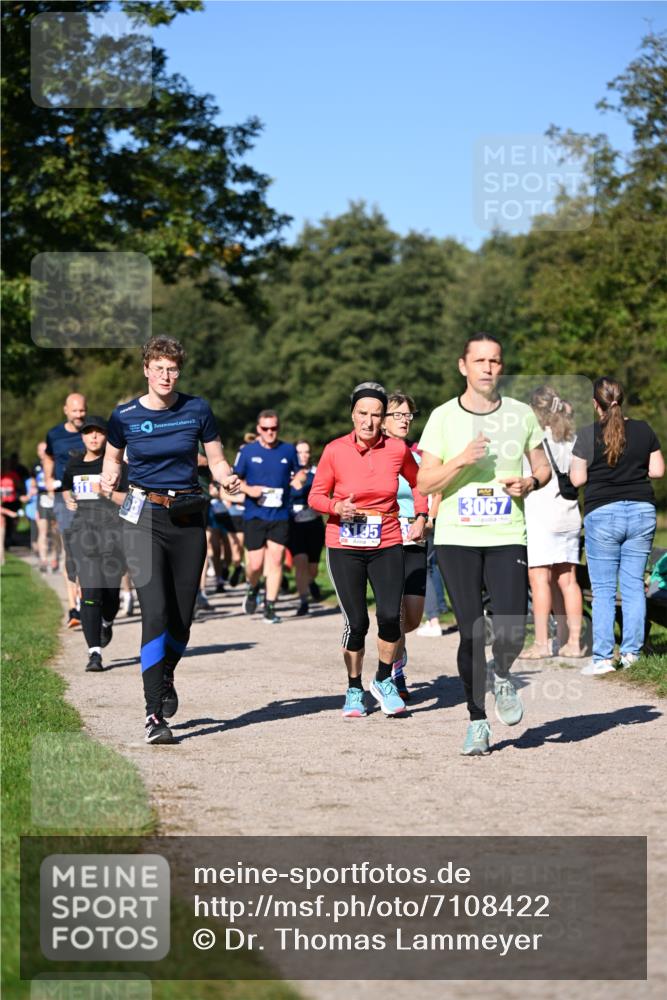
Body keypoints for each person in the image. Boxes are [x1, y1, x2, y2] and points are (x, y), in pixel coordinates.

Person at [418, 334, 551, 756]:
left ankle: (503, 672)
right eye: (480, 361)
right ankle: (477, 722)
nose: (488, 368)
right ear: (463, 366)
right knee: (472, 632)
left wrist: (529, 482)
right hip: (457, 536)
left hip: (506, 531)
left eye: (495, 361)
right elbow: (424, 482)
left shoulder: (520, 414)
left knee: (512, 622)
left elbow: (544, 469)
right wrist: (461, 460)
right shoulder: (442, 417)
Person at [102, 337, 239, 744]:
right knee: (156, 612)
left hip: (187, 515)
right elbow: (113, 456)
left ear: (180, 371)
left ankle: (165, 674)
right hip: (142, 516)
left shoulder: (196, 409)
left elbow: (214, 458)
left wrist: (225, 475)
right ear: (146, 369)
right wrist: (111, 475)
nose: (166, 376)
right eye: (159, 368)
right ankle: (152, 715)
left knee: (182, 618)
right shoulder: (123, 415)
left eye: (173, 369)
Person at [309, 381, 427, 718]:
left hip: (387, 539)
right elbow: (315, 495)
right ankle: (353, 688)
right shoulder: (334, 450)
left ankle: (384, 680)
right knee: (357, 622)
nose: (369, 421)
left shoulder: (397, 450)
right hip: (344, 543)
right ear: (352, 415)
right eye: (363, 413)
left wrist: (421, 515)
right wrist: (335, 506)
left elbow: (418, 482)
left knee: (391, 616)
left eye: (376, 415)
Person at [570, 376, 664, 673]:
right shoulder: (643, 429)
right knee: (634, 585)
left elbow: (577, 479)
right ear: (620, 400)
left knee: (604, 589)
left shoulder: (586, 435)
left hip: (603, 514)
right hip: (641, 512)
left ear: (594, 404)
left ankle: (601, 658)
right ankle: (631, 653)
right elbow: (658, 470)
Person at [520, 385, 584, 659]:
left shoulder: (533, 440)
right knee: (568, 579)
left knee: (539, 579)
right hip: (569, 514)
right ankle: (572, 642)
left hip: (541, 515)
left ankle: (542, 643)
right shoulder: (571, 437)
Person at [62, 417, 128, 672]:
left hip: (113, 535)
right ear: (82, 437)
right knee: (90, 593)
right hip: (83, 534)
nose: (93, 437)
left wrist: (106, 492)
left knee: (110, 594)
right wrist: (69, 500)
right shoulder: (74, 464)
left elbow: (130, 499)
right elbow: (66, 487)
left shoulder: (117, 465)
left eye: (98, 433)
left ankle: (108, 621)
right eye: (88, 433)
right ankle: (94, 654)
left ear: (106, 436)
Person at [234, 411, 307, 625]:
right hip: (255, 514)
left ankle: (270, 606)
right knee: (255, 565)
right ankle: (253, 587)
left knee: (276, 560)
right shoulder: (248, 452)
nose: (270, 432)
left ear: (278, 428)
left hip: (280, 514)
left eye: (273, 428)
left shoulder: (287, 449)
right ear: (258, 429)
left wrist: (299, 479)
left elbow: (300, 471)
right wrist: (250, 489)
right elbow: (233, 480)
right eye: (265, 429)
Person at [381, 392, 429, 700]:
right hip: (384, 539)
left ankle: (399, 648)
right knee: (394, 613)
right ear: (383, 420)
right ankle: (394, 672)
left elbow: (430, 491)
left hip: (414, 538)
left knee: (412, 616)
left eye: (408, 415)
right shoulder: (376, 454)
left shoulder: (420, 456)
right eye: (398, 415)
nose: (405, 420)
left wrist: (425, 517)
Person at [43, 393, 87, 627]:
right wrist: (49, 479)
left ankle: (88, 599)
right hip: (64, 499)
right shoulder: (55, 435)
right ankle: (73, 608)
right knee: (70, 552)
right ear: (66, 410)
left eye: (82, 410)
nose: (79, 415)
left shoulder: (93, 431)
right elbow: (48, 457)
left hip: (91, 499)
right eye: (75, 411)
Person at [287, 440, 325, 616]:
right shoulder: (287, 473)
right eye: (300, 452)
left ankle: (311, 581)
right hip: (294, 524)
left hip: (314, 523)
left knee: (313, 566)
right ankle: (303, 601)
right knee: (300, 562)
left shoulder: (317, 472)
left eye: (306, 452)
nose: (303, 455)